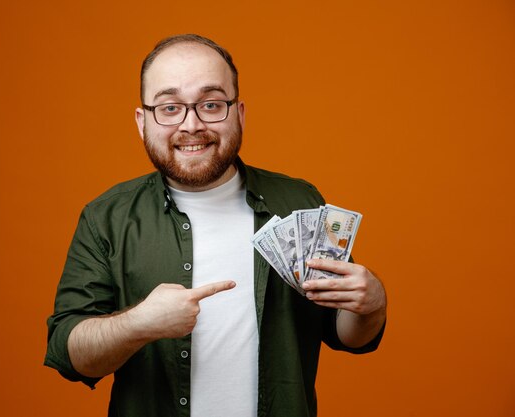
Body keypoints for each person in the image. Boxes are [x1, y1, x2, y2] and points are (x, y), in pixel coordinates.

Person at [44, 33, 387, 417]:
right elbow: (70, 355)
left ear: (239, 113)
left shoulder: (298, 202)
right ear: (142, 122)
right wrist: (140, 322)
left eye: (210, 104)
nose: (191, 125)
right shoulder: (106, 218)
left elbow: (348, 335)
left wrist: (371, 306)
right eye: (170, 107)